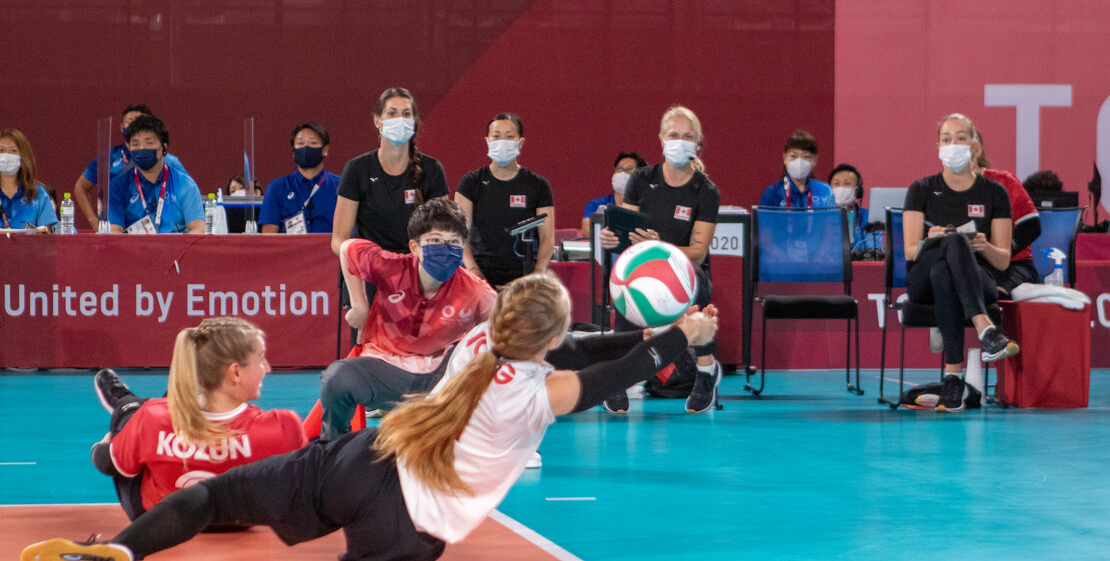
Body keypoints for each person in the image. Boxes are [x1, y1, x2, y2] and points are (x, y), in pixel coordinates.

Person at [22, 274, 718, 561]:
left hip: (361, 458)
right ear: (545, 340)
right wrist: (676, 338)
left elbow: (583, 347)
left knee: (212, 495)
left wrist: (660, 333)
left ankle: (121, 551)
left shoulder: (480, 336)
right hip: (408, 522)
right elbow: (606, 372)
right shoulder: (539, 394)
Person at [88, 317, 307, 521]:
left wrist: (105, 444)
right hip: (241, 521)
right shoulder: (283, 426)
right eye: (261, 359)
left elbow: (109, 464)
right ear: (235, 373)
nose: (267, 368)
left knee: (131, 420)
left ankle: (125, 403)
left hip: (158, 522)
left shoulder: (151, 418)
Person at [317, 198, 497, 440]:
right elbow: (348, 248)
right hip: (384, 368)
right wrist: (359, 305)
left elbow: (506, 334)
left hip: (441, 379)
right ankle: (333, 449)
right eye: (434, 241)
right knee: (337, 378)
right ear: (414, 247)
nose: (445, 248)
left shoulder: (477, 291)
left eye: (454, 242)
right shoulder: (391, 267)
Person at [598, 105, 721, 414]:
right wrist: (612, 239)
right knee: (628, 283)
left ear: (697, 144)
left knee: (695, 281)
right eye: (674, 135)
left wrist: (662, 248)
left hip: (687, 269)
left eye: (688, 136)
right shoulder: (641, 179)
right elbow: (628, 235)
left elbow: (700, 250)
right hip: (644, 268)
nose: (680, 141)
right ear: (662, 140)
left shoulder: (705, 191)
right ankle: (617, 378)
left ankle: (706, 372)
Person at [902, 113, 1021, 414]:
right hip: (923, 280)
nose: (952, 144)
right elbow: (909, 251)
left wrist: (985, 246)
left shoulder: (995, 192)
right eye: (946, 139)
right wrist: (932, 237)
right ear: (938, 146)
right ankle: (986, 329)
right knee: (951, 243)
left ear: (974, 147)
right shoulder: (921, 189)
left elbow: (1003, 260)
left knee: (948, 267)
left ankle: (953, 380)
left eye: (960, 138)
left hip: (978, 278)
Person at [332, 87, 449, 256]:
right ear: (377, 120)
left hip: (415, 268)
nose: (400, 120)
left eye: (406, 114)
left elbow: (442, 233)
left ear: (414, 121)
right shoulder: (357, 169)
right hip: (369, 270)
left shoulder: (432, 169)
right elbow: (338, 240)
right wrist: (361, 257)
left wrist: (417, 259)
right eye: (392, 113)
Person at [455, 113, 555, 287]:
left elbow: (547, 237)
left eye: (509, 136)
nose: (502, 141)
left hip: (524, 274)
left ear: (520, 142)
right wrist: (473, 270)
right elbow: (459, 233)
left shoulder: (538, 185)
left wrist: (538, 273)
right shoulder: (470, 183)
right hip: (480, 273)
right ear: (487, 141)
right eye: (496, 136)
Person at [73, 104, 184, 230]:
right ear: (121, 127)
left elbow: (186, 194)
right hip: (118, 228)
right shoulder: (108, 158)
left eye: (140, 122)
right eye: (131, 122)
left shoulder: (169, 160)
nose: (136, 126)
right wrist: (93, 221)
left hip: (162, 230)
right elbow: (80, 187)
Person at [970, 119, 1040, 296]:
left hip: (1013, 266)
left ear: (977, 150)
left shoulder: (1004, 182)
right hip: (971, 265)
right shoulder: (943, 188)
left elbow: (1032, 227)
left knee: (994, 293)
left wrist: (1001, 252)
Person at [108, 115, 205, 235]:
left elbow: (198, 230)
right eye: (135, 143)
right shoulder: (117, 186)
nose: (141, 148)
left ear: (164, 148)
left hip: (175, 251)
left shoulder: (186, 185)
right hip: (133, 251)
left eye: (149, 142)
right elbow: (114, 231)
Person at [260, 122, 341, 234]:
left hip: (330, 250)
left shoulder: (341, 185)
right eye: (300, 143)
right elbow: (269, 235)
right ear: (293, 152)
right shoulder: (277, 187)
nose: (306, 147)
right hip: (291, 250)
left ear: (325, 150)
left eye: (313, 142)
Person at [758, 129, 834, 209]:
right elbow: (764, 221)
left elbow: (831, 221)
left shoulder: (825, 192)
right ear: (785, 158)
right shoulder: (772, 193)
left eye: (806, 157)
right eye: (793, 156)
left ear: (814, 160)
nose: (799, 161)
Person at [0, 127, 58, 231]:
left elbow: (48, 237)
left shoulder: (38, 194)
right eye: (1, 150)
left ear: (23, 157)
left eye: (13, 151)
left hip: (31, 247)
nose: (6, 156)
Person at [581, 151, 647, 239]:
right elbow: (587, 231)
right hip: (605, 250)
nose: (622, 173)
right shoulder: (596, 204)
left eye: (629, 170)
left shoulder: (648, 205)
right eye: (619, 169)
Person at [828, 163, 869, 250]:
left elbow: (874, 250)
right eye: (836, 183)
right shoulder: (821, 216)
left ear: (858, 190)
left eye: (847, 183)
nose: (841, 188)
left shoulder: (868, 216)